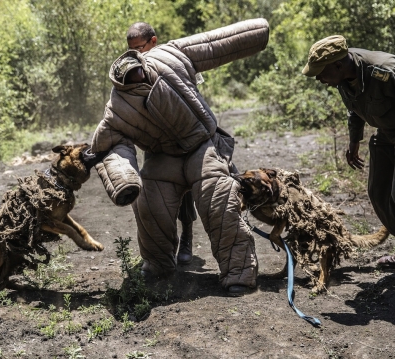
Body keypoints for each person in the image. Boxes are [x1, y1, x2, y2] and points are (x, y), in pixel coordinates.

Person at [91, 19, 270, 295]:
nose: (141, 76)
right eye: (134, 78)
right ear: (124, 83)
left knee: (219, 198)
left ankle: (238, 272)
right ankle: (158, 266)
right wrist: (123, 179)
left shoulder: (168, 55)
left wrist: (257, 33)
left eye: (141, 70)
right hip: (163, 158)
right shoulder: (117, 107)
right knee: (149, 203)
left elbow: (212, 45)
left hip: (203, 145)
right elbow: (110, 143)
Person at [302, 35, 395, 319]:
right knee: (378, 193)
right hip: (386, 133)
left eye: (322, 73)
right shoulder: (343, 79)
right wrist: (354, 141)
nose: (319, 80)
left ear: (340, 65)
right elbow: (355, 109)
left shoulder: (385, 70)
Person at [126, 22, 197, 265]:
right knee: (153, 194)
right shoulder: (132, 68)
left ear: (153, 41)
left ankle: (187, 236)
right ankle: (163, 248)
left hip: (182, 137)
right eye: (132, 49)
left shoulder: (172, 60)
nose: (137, 53)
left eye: (140, 47)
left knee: (185, 191)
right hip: (154, 142)